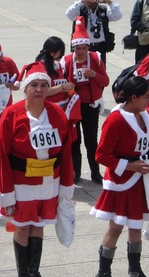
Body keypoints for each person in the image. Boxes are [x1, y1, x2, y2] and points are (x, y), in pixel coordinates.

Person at [0, 61, 74, 277]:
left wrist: (66, 187)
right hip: (22, 185)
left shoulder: (57, 113)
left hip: (49, 183)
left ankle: (34, 272)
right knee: (22, 227)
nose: (39, 89)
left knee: (39, 226)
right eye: (34, 85)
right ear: (26, 88)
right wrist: (6, 193)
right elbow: (1, 155)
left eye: (43, 85)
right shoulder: (11, 115)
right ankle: (22, 275)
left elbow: (66, 152)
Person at [90, 76, 149, 277]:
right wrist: (130, 166)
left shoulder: (147, 114)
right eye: (146, 96)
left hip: (141, 181)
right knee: (116, 227)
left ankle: (135, 268)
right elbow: (101, 155)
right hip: (122, 182)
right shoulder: (115, 120)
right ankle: (103, 271)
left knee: (136, 226)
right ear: (133, 97)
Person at [61, 17, 109, 184]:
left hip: (90, 105)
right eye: (77, 48)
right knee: (75, 140)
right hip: (73, 106)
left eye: (83, 48)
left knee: (91, 141)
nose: (80, 51)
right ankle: (76, 172)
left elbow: (106, 81)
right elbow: (62, 83)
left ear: (88, 47)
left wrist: (94, 75)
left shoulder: (95, 59)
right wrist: (69, 85)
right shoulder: (67, 61)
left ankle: (95, 173)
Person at [65, 0, 123, 65]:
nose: (91, 3)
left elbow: (117, 16)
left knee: (100, 71)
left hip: (100, 46)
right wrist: (82, 1)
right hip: (83, 47)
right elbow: (69, 14)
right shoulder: (80, 10)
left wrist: (110, 3)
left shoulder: (103, 10)